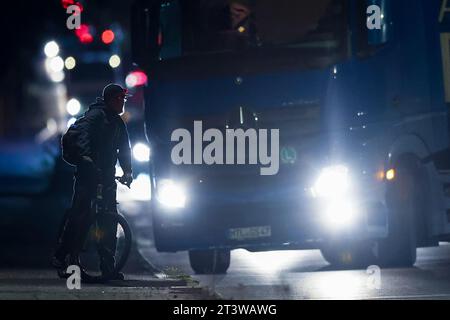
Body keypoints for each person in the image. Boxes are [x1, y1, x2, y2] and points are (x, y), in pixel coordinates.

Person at [53, 84, 134, 280]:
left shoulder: (117, 123)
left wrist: (128, 171)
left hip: (106, 176)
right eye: (119, 98)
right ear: (110, 99)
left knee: (109, 219)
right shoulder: (96, 116)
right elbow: (83, 136)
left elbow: (124, 149)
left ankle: (108, 267)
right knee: (80, 215)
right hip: (88, 174)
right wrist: (86, 158)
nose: (122, 102)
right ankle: (65, 257)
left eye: (124, 99)